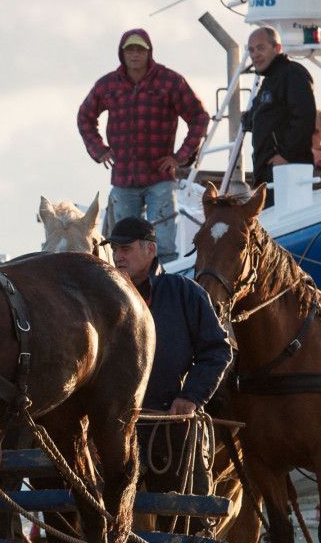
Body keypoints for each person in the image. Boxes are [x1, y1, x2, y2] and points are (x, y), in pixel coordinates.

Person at [106, 216, 232, 530]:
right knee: (108, 519)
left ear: (150, 249)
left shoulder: (184, 293)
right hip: (113, 428)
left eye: (126, 248)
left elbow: (217, 349)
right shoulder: (101, 299)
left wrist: (190, 396)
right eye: (114, 249)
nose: (118, 256)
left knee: (187, 521)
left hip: (172, 427)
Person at [77, 28, 209, 265]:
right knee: (123, 243)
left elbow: (199, 116)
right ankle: (128, 289)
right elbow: (85, 116)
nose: (135, 54)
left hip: (160, 176)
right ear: (122, 53)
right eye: (130, 50)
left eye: (140, 49)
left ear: (149, 53)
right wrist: (99, 150)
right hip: (123, 178)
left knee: (164, 245)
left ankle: (164, 282)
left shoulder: (169, 81)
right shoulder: (108, 85)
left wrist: (180, 157)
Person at [242, 26, 317, 197]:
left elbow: (304, 118)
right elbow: (257, 117)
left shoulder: (292, 74)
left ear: (277, 48)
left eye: (261, 48)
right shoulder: (269, 82)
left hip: (287, 171)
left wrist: (285, 155)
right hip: (268, 172)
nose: (255, 55)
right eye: (251, 50)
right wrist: (247, 119)